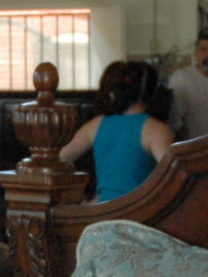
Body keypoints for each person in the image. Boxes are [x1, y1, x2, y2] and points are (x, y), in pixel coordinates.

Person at [59, 60, 174, 202]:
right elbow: (174, 177)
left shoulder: (95, 124)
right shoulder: (157, 130)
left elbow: (58, 159)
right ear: (152, 92)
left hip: (101, 213)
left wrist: (82, 200)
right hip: (138, 214)